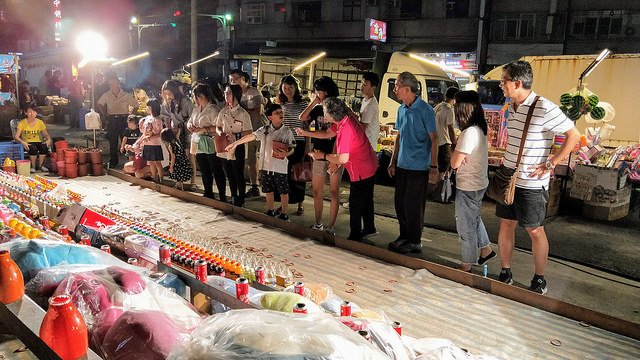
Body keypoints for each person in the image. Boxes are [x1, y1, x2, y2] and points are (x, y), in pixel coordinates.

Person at [496, 60, 580, 294]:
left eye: (504, 80)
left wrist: (551, 163)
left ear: (518, 83)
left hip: (532, 182)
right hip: (509, 179)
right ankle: (505, 271)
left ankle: (540, 278)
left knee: (534, 230)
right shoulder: (510, 107)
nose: (501, 84)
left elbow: (574, 136)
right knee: (506, 224)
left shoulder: (544, 107)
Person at [303, 98, 378, 241]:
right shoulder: (344, 120)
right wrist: (306, 133)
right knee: (366, 199)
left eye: (325, 113)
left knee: (356, 203)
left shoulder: (346, 129)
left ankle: (354, 237)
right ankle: (370, 228)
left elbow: (342, 159)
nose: (324, 116)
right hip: (368, 163)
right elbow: (326, 133)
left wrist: (323, 156)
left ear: (332, 115)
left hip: (362, 168)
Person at [387, 72, 438, 254]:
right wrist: (393, 161)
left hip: (419, 167)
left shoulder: (426, 110)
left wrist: (433, 167)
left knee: (413, 206)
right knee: (400, 202)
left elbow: (434, 139)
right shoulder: (402, 109)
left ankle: (415, 240)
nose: (395, 90)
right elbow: (398, 136)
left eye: (397, 86)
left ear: (407, 89)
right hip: (402, 164)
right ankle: (404, 236)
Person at [450, 91, 495, 272]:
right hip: (479, 182)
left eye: (456, 105)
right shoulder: (480, 129)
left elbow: (454, 163)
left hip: (468, 185)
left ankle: (467, 264)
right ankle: (486, 250)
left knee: (465, 226)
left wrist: (457, 154)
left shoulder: (468, 133)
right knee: (474, 218)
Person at [226, 104, 295, 221]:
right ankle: (270, 210)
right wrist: (235, 143)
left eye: (281, 112)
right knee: (268, 190)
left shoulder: (287, 131)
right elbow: (251, 136)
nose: (280, 114)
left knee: (283, 191)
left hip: (280, 167)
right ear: (270, 117)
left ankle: (284, 213)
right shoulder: (265, 130)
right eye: (277, 113)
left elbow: (292, 147)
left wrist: (285, 154)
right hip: (266, 166)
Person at [299, 76, 342, 235]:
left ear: (326, 91)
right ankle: (318, 223)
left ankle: (330, 226)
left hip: (334, 154)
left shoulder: (337, 108)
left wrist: (334, 158)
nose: (316, 93)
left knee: (333, 191)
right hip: (318, 153)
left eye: (319, 90)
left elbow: (340, 134)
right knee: (317, 191)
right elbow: (302, 117)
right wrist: (314, 102)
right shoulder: (317, 109)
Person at [187, 82, 227, 201]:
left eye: (198, 96)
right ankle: (208, 192)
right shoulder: (196, 109)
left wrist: (204, 129)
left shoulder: (213, 109)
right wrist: (190, 125)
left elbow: (219, 127)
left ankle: (222, 195)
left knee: (216, 169)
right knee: (204, 169)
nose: (196, 99)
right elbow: (190, 121)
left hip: (210, 141)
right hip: (198, 141)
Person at [215, 84, 253, 206]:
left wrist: (236, 137)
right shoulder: (223, 111)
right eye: (225, 93)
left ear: (236, 94)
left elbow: (249, 132)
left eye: (229, 93)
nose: (226, 95)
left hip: (238, 146)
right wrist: (220, 133)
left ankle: (240, 199)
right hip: (225, 145)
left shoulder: (243, 113)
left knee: (238, 174)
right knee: (229, 174)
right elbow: (218, 126)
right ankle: (233, 196)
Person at [276, 75, 308, 216]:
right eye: (285, 88)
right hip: (284, 142)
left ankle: (300, 204)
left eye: (290, 87)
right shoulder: (280, 104)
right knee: (284, 174)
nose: (288, 90)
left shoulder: (303, 104)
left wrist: (308, 146)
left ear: (296, 88)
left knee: (298, 173)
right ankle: (284, 204)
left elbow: (307, 126)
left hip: (298, 142)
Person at [230, 69, 264, 198]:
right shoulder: (234, 94)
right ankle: (254, 186)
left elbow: (258, 111)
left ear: (244, 79)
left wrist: (242, 113)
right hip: (246, 131)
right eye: (231, 79)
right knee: (250, 159)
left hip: (259, 129)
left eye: (236, 78)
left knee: (264, 158)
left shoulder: (254, 92)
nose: (233, 81)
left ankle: (269, 186)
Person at [97, 74, 137, 167]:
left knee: (126, 140)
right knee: (112, 141)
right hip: (112, 119)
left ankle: (129, 160)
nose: (112, 86)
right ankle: (113, 161)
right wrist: (104, 114)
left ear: (118, 83)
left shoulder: (126, 95)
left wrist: (131, 116)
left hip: (123, 119)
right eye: (110, 84)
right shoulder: (106, 95)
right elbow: (99, 104)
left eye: (114, 83)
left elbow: (136, 105)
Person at [161, 79, 195, 188]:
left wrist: (183, 126)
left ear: (175, 91)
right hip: (175, 133)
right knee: (177, 157)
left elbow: (192, 116)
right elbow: (166, 117)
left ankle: (193, 181)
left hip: (187, 131)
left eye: (169, 93)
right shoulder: (167, 102)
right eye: (165, 93)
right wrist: (169, 129)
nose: (167, 95)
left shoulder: (186, 101)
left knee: (190, 156)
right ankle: (179, 181)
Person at [14, 104, 52, 173]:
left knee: (44, 147)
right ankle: (33, 167)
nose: (32, 114)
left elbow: (46, 134)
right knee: (33, 148)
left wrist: (49, 139)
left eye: (34, 112)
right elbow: (16, 137)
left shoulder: (40, 122)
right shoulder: (22, 123)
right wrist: (22, 142)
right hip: (27, 142)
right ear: (26, 113)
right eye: (30, 112)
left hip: (38, 141)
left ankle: (41, 166)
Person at [135, 99, 164, 183]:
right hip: (147, 143)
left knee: (157, 163)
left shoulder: (158, 119)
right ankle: (154, 178)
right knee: (150, 162)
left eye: (149, 107)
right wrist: (140, 141)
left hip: (155, 144)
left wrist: (150, 137)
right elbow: (144, 132)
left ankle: (161, 179)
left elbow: (160, 133)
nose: (147, 108)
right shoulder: (147, 118)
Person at [435, 87, 459, 175]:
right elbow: (450, 128)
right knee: (444, 170)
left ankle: (436, 186)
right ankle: (441, 187)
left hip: (436, 142)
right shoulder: (449, 110)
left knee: (438, 168)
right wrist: (454, 143)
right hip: (444, 143)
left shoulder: (438, 106)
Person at [359, 71, 380, 151]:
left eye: (365, 84)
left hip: (368, 145)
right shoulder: (365, 100)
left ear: (373, 87)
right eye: (361, 83)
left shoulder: (371, 105)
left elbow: (362, 127)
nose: (362, 86)